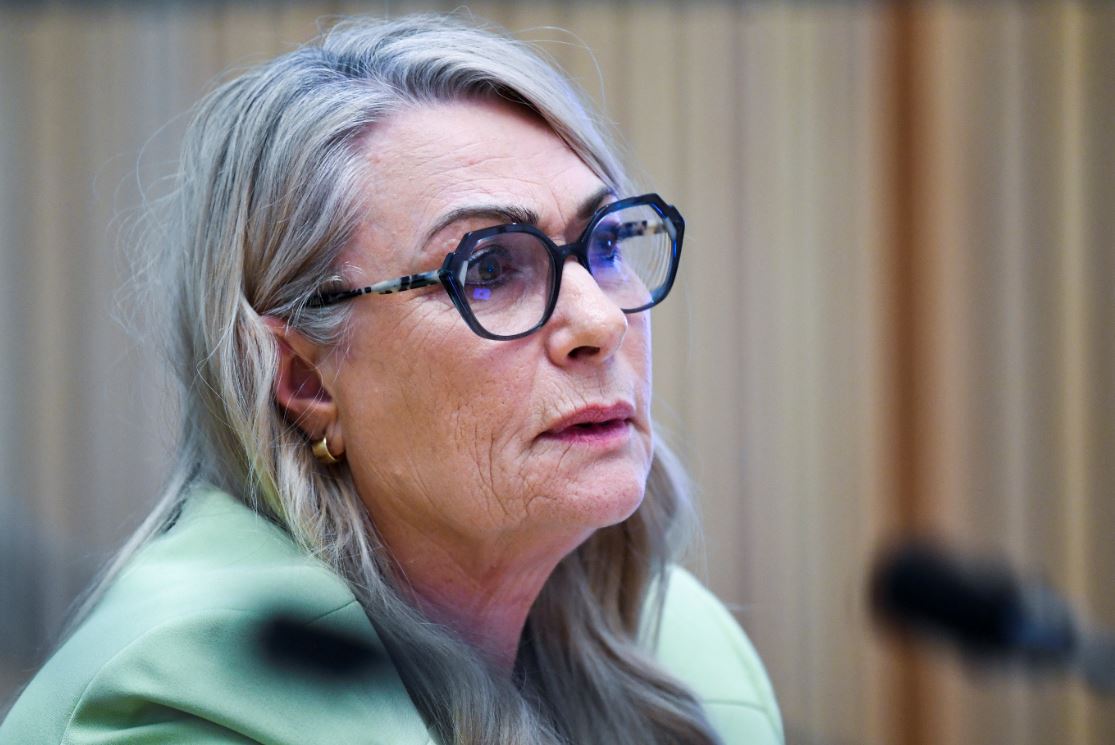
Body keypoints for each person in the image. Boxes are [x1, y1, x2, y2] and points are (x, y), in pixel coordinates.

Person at [0, 14, 782, 745]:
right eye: (488, 269)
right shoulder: (185, 700)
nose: (601, 321)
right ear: (306, 380)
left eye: (605, 245)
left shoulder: (682, 655)